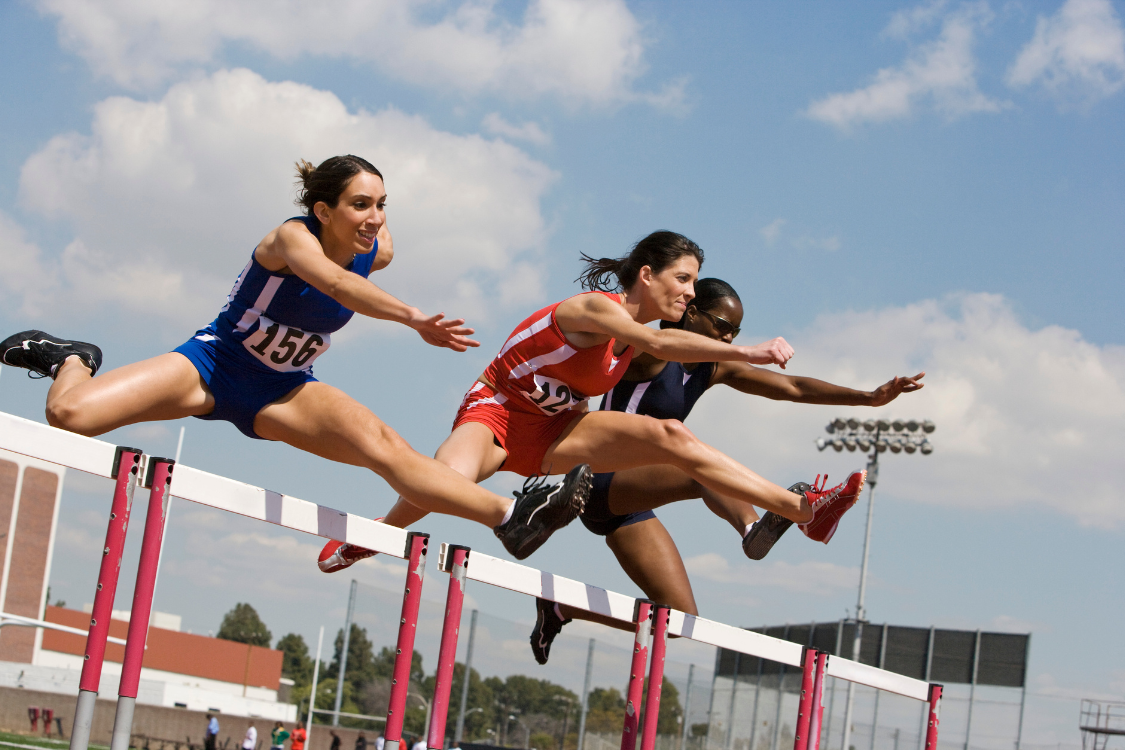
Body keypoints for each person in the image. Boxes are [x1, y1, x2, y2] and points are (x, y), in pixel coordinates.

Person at [1, 155, 590, 559]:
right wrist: (413, 319)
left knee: (387, 452)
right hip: (213, 365)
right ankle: (71, 357)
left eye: (382, 204)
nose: (375, 218)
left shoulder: (376, 249)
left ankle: (513, 515)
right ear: (323, 209)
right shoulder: (289, 239)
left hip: (283, 387)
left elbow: (358, 267)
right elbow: (335, 286)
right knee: (70, 418)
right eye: (360, 204)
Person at [322, 231, 864, 569]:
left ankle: (802, 511)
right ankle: (370, 537)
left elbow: (665, 344)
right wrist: (750, 350)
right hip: (500, 411)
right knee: (446, 478)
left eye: (695, 284)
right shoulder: (596, 309)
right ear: (646, 275)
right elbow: (659, 342)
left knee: (671, 437)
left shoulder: (642, 331)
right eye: (684, 279)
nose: (691, 293)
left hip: (559, 430)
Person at [527, 277, 925, 662]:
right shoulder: (650, 352)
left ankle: (562, 609)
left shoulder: (712, 367)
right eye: (722, 327)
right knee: (692, 458)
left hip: (627, 504)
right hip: (598, 479)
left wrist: (869, 399)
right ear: (691, 312)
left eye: (735, 332)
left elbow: (792, 388)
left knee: (681, 619)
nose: (729, 339)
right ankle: (755, 529)